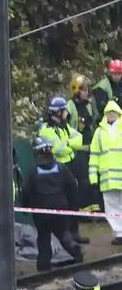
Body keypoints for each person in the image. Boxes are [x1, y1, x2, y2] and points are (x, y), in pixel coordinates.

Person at [21, 136, 83, 271]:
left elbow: (25, 190)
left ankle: (43, 265)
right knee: (63, 233)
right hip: (61, 207)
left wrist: (24, 207)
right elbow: (72, 186)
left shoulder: (33, 171)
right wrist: (72, 206)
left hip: (41, 211)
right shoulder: (61, 168)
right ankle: (73, 248)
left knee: (43, 238)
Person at [38, 95, 87, 244]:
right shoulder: (46, 130)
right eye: (64, 110)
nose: (67, 113)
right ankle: (66, 235)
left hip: (71, 165)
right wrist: (68, 144)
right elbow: (59, 149)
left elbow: (79, 138)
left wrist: (67, 142)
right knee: (63, 202)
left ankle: (74, 232)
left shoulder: (64, 126)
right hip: (57, 168)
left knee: (73, 199)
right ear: (58, 112)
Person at [89, 100, 122, 244]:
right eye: (109, 113)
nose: (111, 116)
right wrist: (92, 176)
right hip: (106, 177)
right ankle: (119, 233)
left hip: (119, 175)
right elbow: (94, 154)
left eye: (114, 113)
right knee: (110, 205)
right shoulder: (99, 132)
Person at [68, 74, 101, 213]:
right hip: (77, 150)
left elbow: (93, 121)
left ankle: (93, 205)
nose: (87, 93)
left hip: (90, 148)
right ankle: (82, 208)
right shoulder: (70, 106)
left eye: (88, 90)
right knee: (82, 180)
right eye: (84, 90)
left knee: (91, 178)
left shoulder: (88, 105)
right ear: (76, 90)